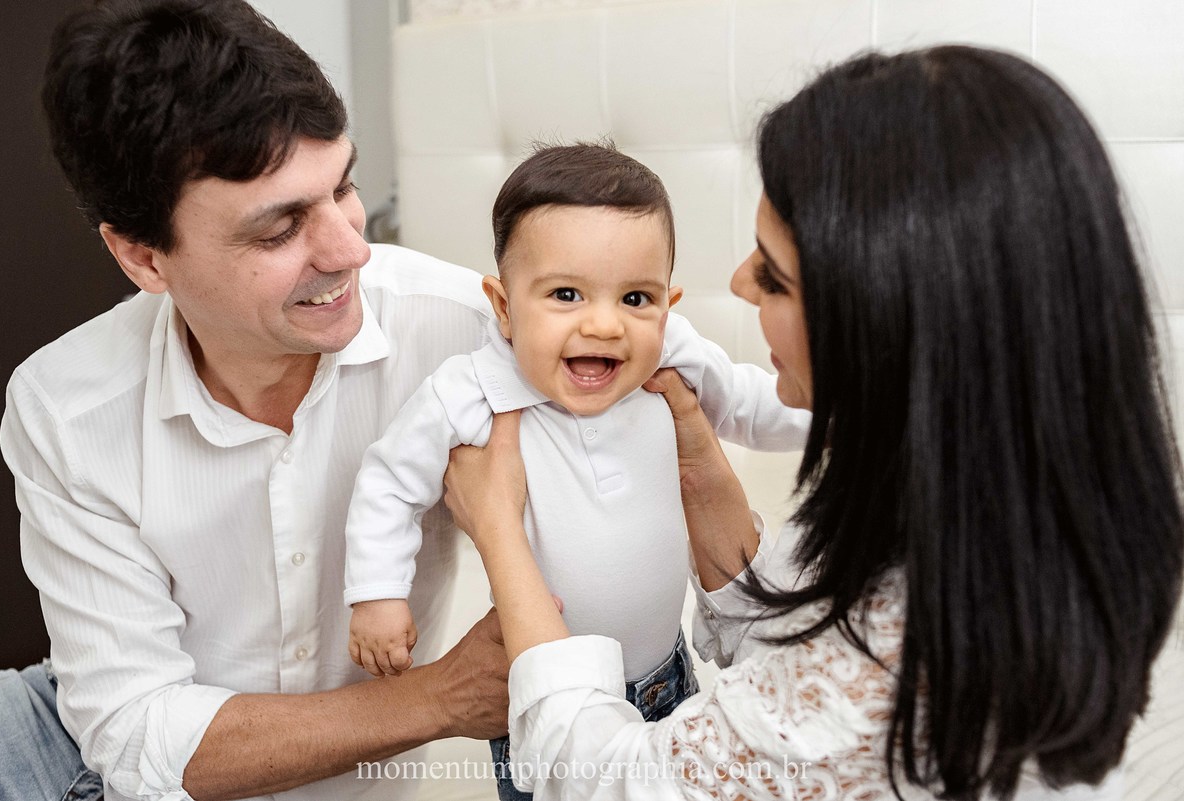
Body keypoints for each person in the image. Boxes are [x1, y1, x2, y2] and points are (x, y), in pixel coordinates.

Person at [441, 45, 1184, 800]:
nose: (736, 282)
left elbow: (607, 781)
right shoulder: (1004, 518)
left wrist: (499, 528)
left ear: (886, 325)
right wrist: (696, 458)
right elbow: (783, 637)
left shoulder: (886, 669)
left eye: (773, 274)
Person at [0, 2, 508, 800]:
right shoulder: (64, 406)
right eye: (279, 229)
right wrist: (438, 697)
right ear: (141, 256)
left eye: (344, 186)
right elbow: (130, 733)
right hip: (62, 732)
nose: (351, 249)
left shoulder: (464, 334)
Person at [340, 143, 811, 799]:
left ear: (667, 305)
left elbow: (754, 405)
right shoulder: (469, 390)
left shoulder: (671, 354)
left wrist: (840, 418)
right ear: (503, 307)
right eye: (566, 294)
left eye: (636, 297)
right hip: (541, 695)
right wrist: (377, 594)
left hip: (666, 670)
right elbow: (388, 483)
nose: (603, 323)